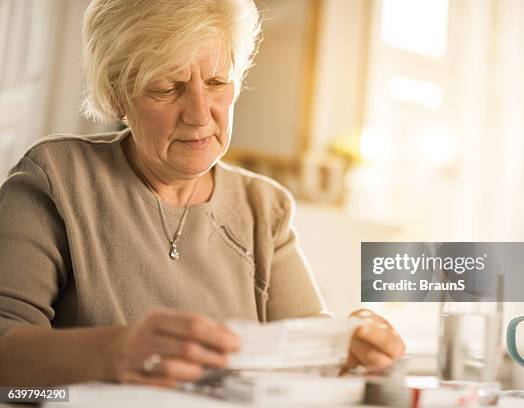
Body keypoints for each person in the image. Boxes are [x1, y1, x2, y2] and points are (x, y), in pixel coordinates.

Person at [0, 0, 405, 387]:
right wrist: (113, 352)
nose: (199, 113)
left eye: (216, 83)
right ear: (119, 94)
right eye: (166, 88)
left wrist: (351, 345)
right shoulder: (56, 178)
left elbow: (309, 349)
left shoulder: (264, 208)